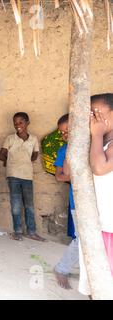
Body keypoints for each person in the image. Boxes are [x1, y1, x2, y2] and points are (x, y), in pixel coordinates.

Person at [0, 112, 46, 242]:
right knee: (16, 205)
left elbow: (35, 155)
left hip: (27, 175)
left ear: (27, 123)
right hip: (13, 175)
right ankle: (17, 231)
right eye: (15, 123)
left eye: (20, 122)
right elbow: (1, 155)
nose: (18, 125)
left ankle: (32, 231)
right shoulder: (10, 139)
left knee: (29, 205)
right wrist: (9, 161)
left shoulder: (33, 139)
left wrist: (25, 160)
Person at [52, 114, 79, 289]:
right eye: (62, 133)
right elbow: (60, 176)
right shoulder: (64, 150)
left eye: (68, 131)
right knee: (81, 238)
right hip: (77, 200)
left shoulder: (91, 145)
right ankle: (61, 268)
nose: (64, 135)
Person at [89, 94, 113, 276]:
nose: (92, 118)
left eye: (96, 113)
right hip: (103, 222)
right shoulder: (102, 143)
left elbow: (99, 168)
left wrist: (96, 133)